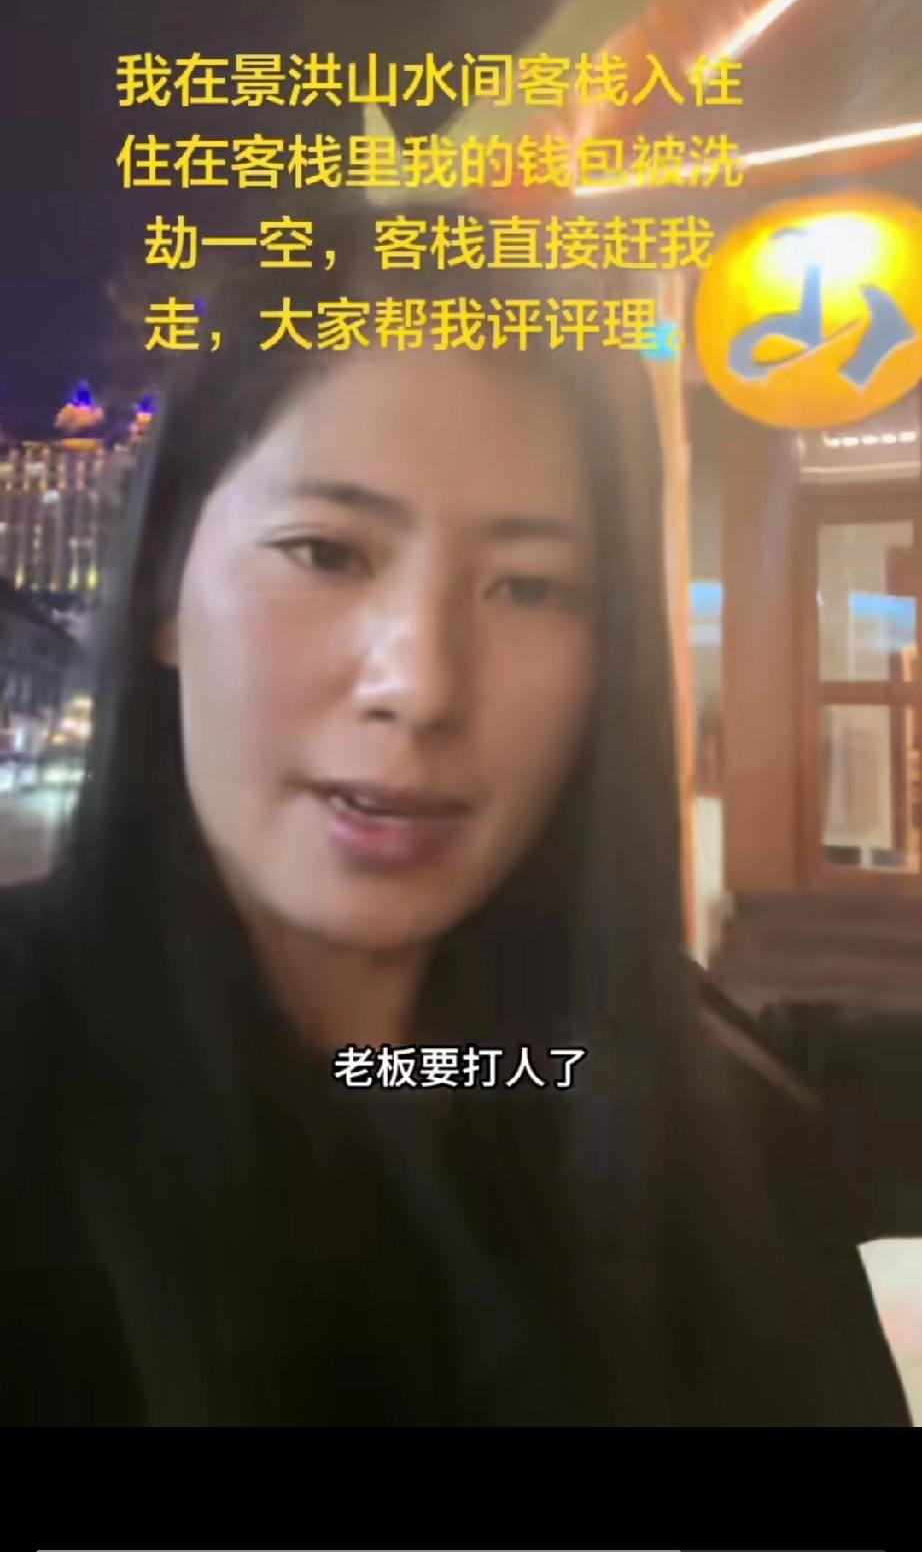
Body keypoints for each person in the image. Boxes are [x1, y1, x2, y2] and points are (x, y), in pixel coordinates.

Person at [0, 234, 910, 1426]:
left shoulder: (715, 1125)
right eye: (325, 553)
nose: (422, 685)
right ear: (165, 587)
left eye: (530, 586)